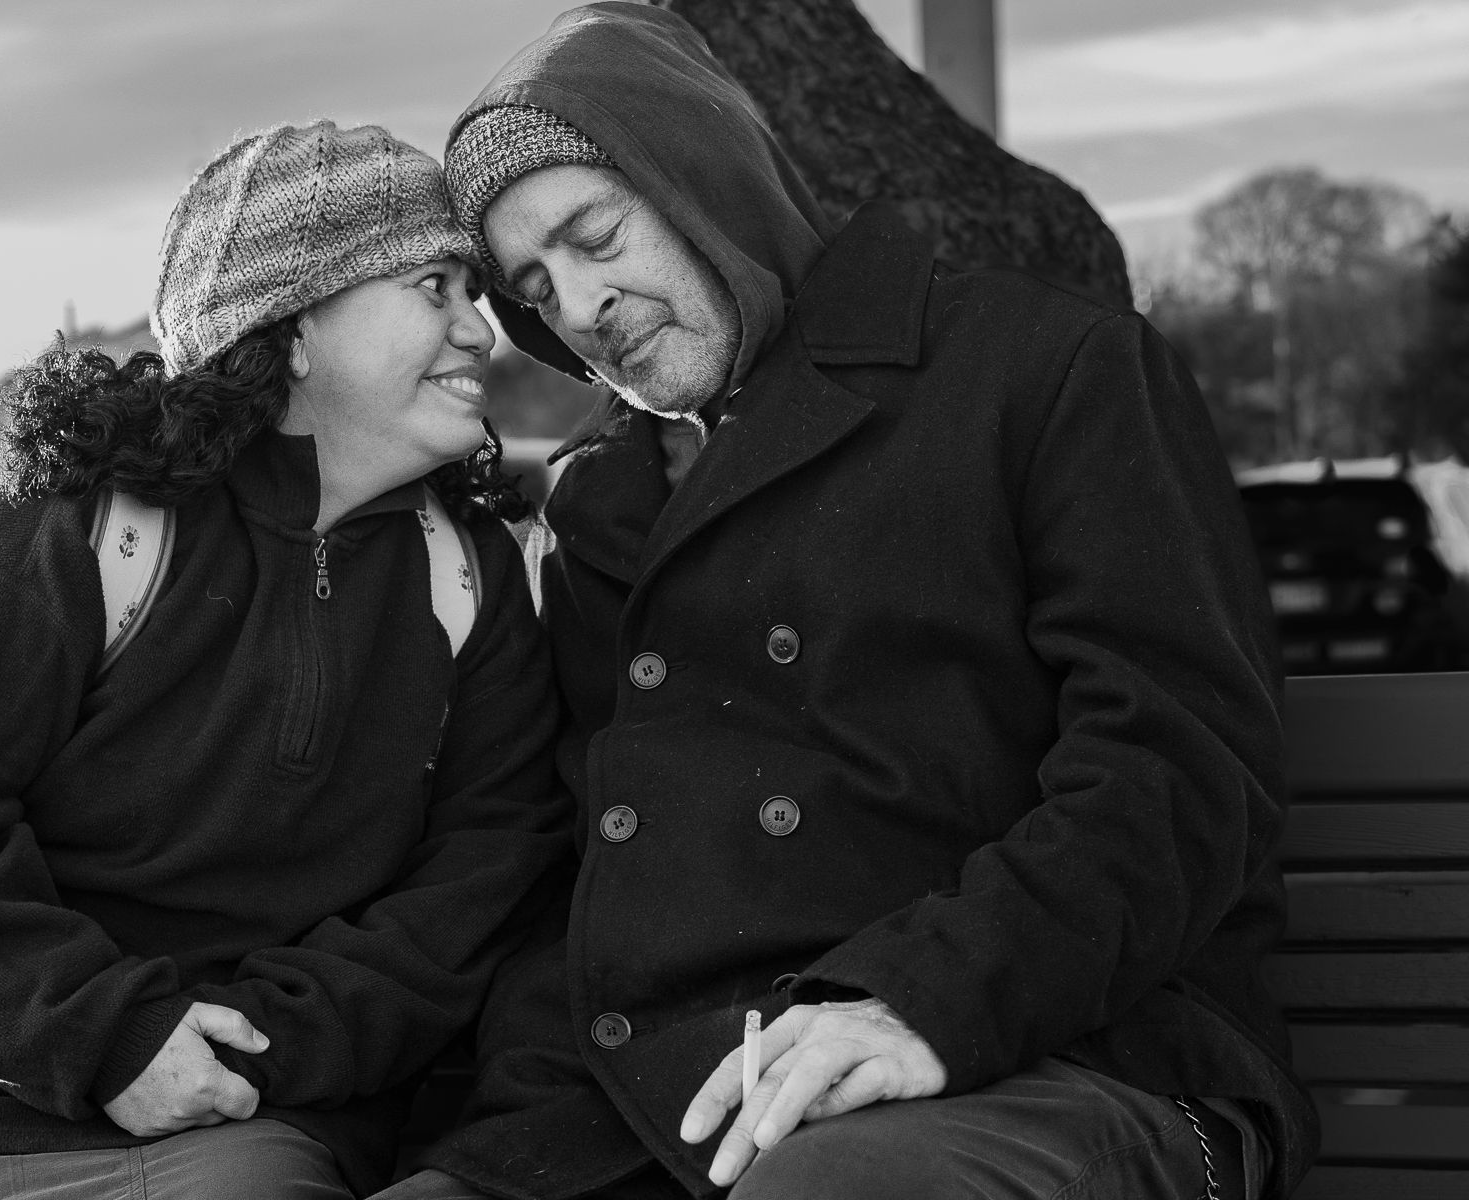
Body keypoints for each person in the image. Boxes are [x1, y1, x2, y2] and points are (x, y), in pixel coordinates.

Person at [377, 6, 1320, 1200]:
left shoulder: (1045, 372)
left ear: (702, 174)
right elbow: (570, 859)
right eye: (535, 286)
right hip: (675, 1092)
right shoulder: (595, 506)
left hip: (1064, 1053)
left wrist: (927, 1002)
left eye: (596, 233)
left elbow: (1179, 770)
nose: (579, 303)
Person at [0, 121, 569, 1200]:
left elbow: (487, 869)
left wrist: (262, 1047)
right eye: (433, 288)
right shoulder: (71, 523)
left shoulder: (471, 578)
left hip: (260, 1118)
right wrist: (112, 1040)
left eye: (472, 296)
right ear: (290, 324)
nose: (477, 331)